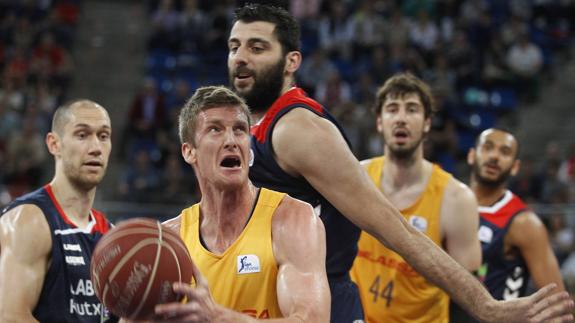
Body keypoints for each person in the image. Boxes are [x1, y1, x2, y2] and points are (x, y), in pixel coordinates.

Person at [228, 3, 574, 322]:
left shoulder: (299, 130)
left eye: (257, 48)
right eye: (234, 47)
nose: (241, 57)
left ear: (291, 62)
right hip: (275, 301)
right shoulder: (254, 127)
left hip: (318, 307)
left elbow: (400, 232)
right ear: (379, 121)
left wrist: (486, 306)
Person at [149, 86, 330, 321]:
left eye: (240, 130)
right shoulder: (170, 239)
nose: (231, 141)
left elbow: (314, 320)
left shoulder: (292, 220)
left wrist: (219, 318)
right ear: (189, 152)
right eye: (215, 130)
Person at [349, 73, 481, 322]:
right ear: (379, 122)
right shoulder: (356, 178)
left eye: (411, 109)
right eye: (392, 109)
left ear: (428, 123)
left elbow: (469, 296)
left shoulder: (456, 198)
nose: (401, 118)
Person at [0, 100, 116, 322]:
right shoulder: (28, 220)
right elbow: (10, 316)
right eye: (82, 135)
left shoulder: (111, 235)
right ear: (54, 144)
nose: (95, 148)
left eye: (103, 136)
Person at [468, 128, 566, 298]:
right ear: (471, 155)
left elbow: (557, 303)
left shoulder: (525, 223)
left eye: (504, 152)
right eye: (487, 147)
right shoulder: (448, 204)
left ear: (515, 167)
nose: (494, 156)